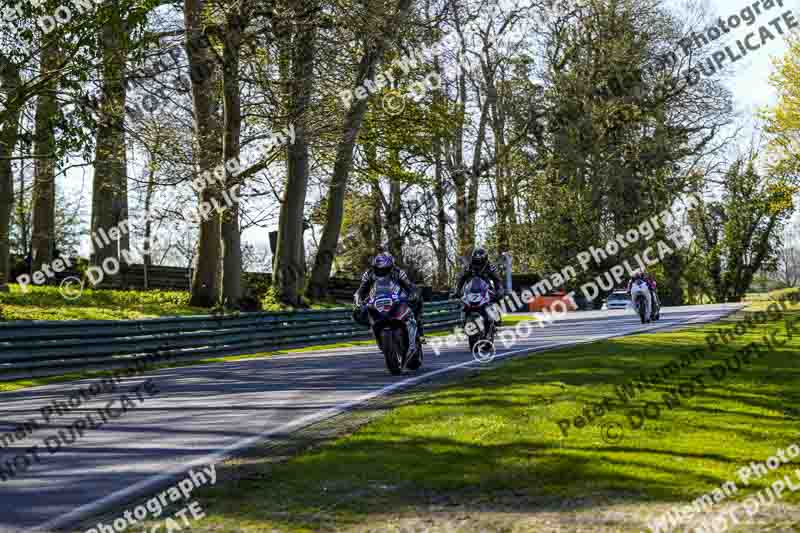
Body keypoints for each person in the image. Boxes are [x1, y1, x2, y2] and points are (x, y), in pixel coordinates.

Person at [353, 251, 425, 342]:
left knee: (417, 301)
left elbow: (409, 287)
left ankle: (419, 331)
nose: (381, 271)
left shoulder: (399, 273)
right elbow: (361, 290)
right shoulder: (368, 274)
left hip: (397, 296)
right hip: (376, 298)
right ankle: (373, 328)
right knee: (359, 312)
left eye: (385, 269)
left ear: (391, 267)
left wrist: (412, 296)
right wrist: (358, 302)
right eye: (378, 269)